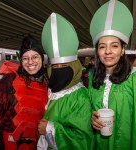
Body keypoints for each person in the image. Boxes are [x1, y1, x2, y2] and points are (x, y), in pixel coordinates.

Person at [89, 0, 136, 150]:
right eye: (102, 47)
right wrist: (91, 117)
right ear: (97, 51)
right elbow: (89, 108)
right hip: (98, 144)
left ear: (123, 50)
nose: (108, 52)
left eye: (114, 46)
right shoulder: (93, 76)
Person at [37, 13, 94, 150]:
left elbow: (82, 140)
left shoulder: (80, 96)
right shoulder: (50, 90)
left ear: (74, 67)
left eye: (64, 66)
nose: (59, 70)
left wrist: (49, 129)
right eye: (55, 67)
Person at [0, 35, 48, 150]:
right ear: (21, 61)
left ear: (42, 58)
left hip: (39, 143)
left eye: (35, 57)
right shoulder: (9, 80)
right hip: (10, 143)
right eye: (25, 58)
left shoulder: (50, 83)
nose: (30, 62)